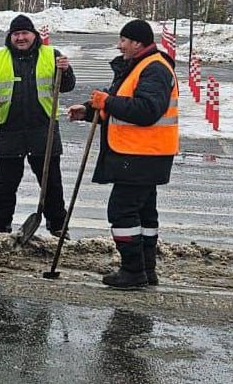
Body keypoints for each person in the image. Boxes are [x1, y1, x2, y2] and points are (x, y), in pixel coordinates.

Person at [67, 19, 178, 289]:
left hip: (140, 153)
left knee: (122, 210)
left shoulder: (153, 69)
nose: (120, 46)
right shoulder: (140, 66)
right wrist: (91, 110)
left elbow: (146, 110)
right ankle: (145, 268)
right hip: (144, 153)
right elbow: (122, 102)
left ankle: (132, 271)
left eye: (124, 41)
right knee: (144, 213)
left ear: (137, 42)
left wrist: (108, 102)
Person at [0, 15, 75, 237]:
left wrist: (65, 71)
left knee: (51, 184)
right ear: (10, 37)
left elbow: (67, 86)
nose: (20, 38)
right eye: (16, 34)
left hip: (43, 129)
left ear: (34, 35)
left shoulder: (51, 55)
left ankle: (58, 226)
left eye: (24, 33)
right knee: (4, 186)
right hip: (10, 130)